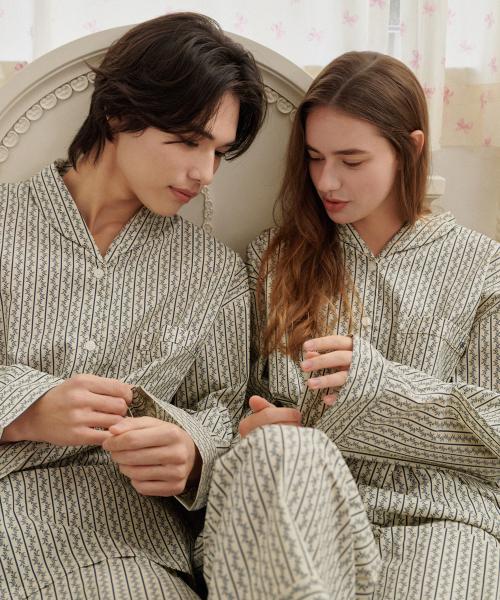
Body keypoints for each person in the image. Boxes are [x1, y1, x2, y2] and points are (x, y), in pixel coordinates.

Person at [203, 51, 500, 599]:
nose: (327, 180)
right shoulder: (273, 259)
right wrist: (260, 428)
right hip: (302, 504)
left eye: (352, 160)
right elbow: (227, 405)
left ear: (410, 149)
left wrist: (378, 391)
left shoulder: (484, 268)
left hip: (442, 516)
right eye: (315, 157)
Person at [0, 12, 266, 599]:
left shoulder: (214, 274)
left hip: (120, 543)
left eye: (219, 152)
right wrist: (27, 411)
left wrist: (192, 454)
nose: (204, 173)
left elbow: (224, 411)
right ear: (120, 114)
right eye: (189, 141)